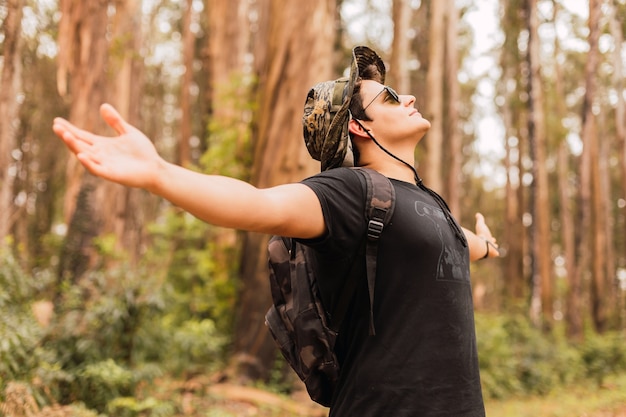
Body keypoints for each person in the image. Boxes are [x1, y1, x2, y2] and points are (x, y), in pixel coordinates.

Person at [53, 45, 497, 416]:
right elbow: (257, 203)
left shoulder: (431, 203)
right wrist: (159, 173)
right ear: (360, 127)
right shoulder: (350, 194)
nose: (410, 99)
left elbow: (462, 243)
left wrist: (486, 246)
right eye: (392, 98)